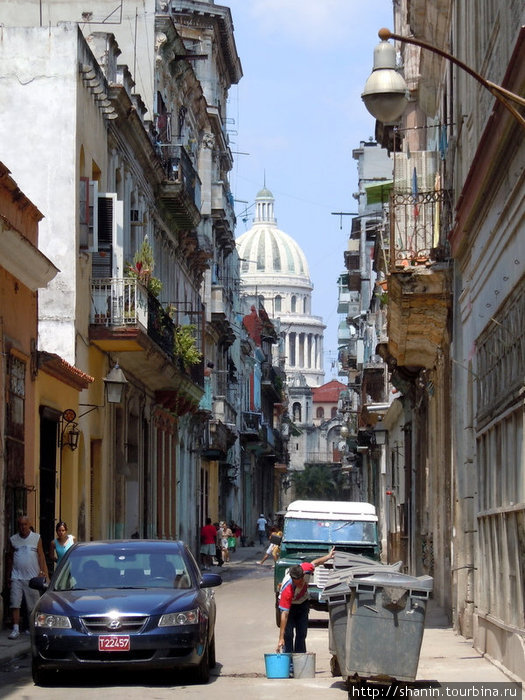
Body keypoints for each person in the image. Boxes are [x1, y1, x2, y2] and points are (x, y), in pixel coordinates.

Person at [276, 547, 335, 654]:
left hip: (302, 603)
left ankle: (300, 659)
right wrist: (281, 638)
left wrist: (328, 556)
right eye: (297, 582)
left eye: (301, 580)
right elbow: (284, 614)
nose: (300, 583)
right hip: (289, 606)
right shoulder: (287, 589)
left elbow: (315, 563)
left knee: (302, 633)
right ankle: (289, 663)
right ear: (293, 579)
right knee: (288, 635)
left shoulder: (306, 569)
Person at [6, 515, 49, 639]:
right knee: (15, 603)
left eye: (25, 524)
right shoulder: (13, 539)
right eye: (20, 525)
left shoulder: (36, 538)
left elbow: (40, 556)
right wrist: (8, 576)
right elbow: (10, 558)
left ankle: (34, 628)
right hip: (16, 576)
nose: (22, 527)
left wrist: (42, 572)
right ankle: (15, 629)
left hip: (32, 578)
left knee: (33, 605)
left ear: (29, 525)